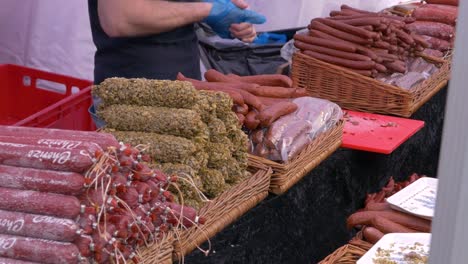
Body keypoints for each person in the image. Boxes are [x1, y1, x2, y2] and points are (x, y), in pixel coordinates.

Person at [88, 0, 266, 84]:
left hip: (186, 87)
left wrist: (223, 10)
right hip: (131, 100)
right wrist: (206, 10)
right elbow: (120, 18)